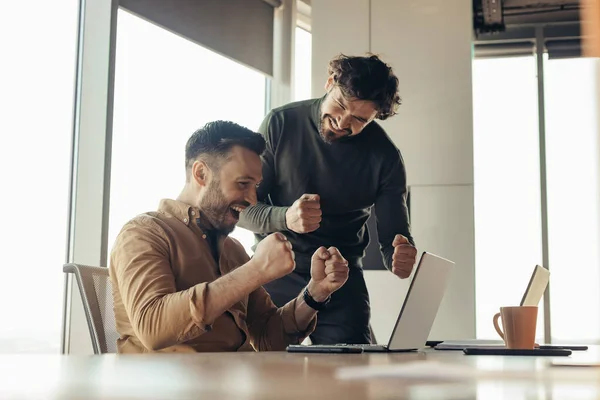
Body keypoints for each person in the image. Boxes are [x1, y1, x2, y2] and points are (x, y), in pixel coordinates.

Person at [109, 120, 350, 353]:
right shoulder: (144, 233)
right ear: (201, 173)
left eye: (255, 186)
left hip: (232, 383)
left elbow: (268, 338)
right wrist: (256, 270)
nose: (253, 199)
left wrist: (316, 292)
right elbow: (153, 328)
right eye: (243, 183)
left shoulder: (233, 250)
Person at [238, 54, 418, 345]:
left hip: (340, 278)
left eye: (359, 119)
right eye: (341, 105)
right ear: (330, 82)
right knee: (261, 372)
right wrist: (286, 217)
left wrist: (400, 256)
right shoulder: (280, 123)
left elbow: (393, 239)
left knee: (352, 380)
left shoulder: (385, 156)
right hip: (273, 271)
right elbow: (242, 211)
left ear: (373, 118)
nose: (341, 122)